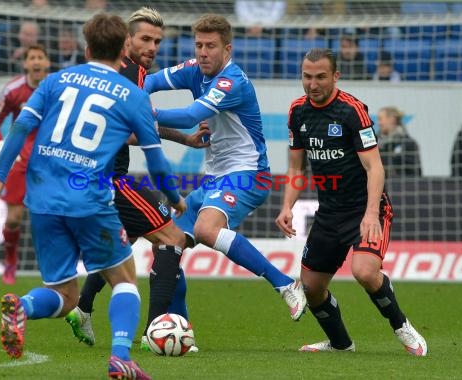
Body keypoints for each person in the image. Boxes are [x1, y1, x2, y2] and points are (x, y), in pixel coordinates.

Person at [0, 13, 184, 379]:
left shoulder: (55, 81)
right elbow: (157, 163)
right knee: (124, 280)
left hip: (42, 198)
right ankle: (120, 357)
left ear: (86, 48)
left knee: (65, 296)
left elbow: (22, 126)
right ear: (124, 51)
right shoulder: (132, 95)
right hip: (89, 197)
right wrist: (175, 197)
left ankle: (22, 305)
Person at [144, 13, 307, 323]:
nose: (203, 52)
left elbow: (191, 115)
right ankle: (181, 330)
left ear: (227, 49)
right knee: (166, 244)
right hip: (216, 177)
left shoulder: (232, 81)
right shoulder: (194, 69)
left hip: (249, 174)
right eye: (199, 45)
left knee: (206, 229)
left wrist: (142, 110)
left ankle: (285, 283)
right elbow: (151, 80)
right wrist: (135, 90)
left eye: (211, 46)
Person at [64, 7, 208, 351]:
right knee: (172, 237)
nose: (153, 46)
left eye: (158, 40)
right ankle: (153, 333)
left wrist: (184, 139)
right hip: (109, 179)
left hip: (80, 178)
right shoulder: (132, 73)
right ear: (126, 39)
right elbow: (134, 130)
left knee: (121, 243)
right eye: (145, 38)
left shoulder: (100, 71)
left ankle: (82, 308)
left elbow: (139, 124)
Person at [275, 48, 427, 356]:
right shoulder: (297, 112)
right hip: (329, 212)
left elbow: (375, 167)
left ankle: (401, 325)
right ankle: (341, 344)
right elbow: (295, 168)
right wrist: (287, 205)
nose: (312, 84)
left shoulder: (351, 111)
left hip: (365, 208)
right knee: (311, 287)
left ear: (335, 76)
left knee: (365, 272)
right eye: (306, 76)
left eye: (320, 77)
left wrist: (371, 214)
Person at [0, 45, 51, 285]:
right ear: (25, 64)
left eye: (40, 57)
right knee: (14, 218)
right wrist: (2, 146)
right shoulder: (13, 90)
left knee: (52, 216)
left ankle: (54, 266)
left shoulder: (56, 87)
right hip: (21, 160)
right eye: (31, 57)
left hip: (51, 160)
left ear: (47, 62)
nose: (36, 61)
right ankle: (10, 262)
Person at [377, 106, 422, 177]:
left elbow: (415, 173)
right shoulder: (375, 143)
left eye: (380, 119)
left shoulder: (408, 143)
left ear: (392, 119)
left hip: (402, 186)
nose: (378, 123)